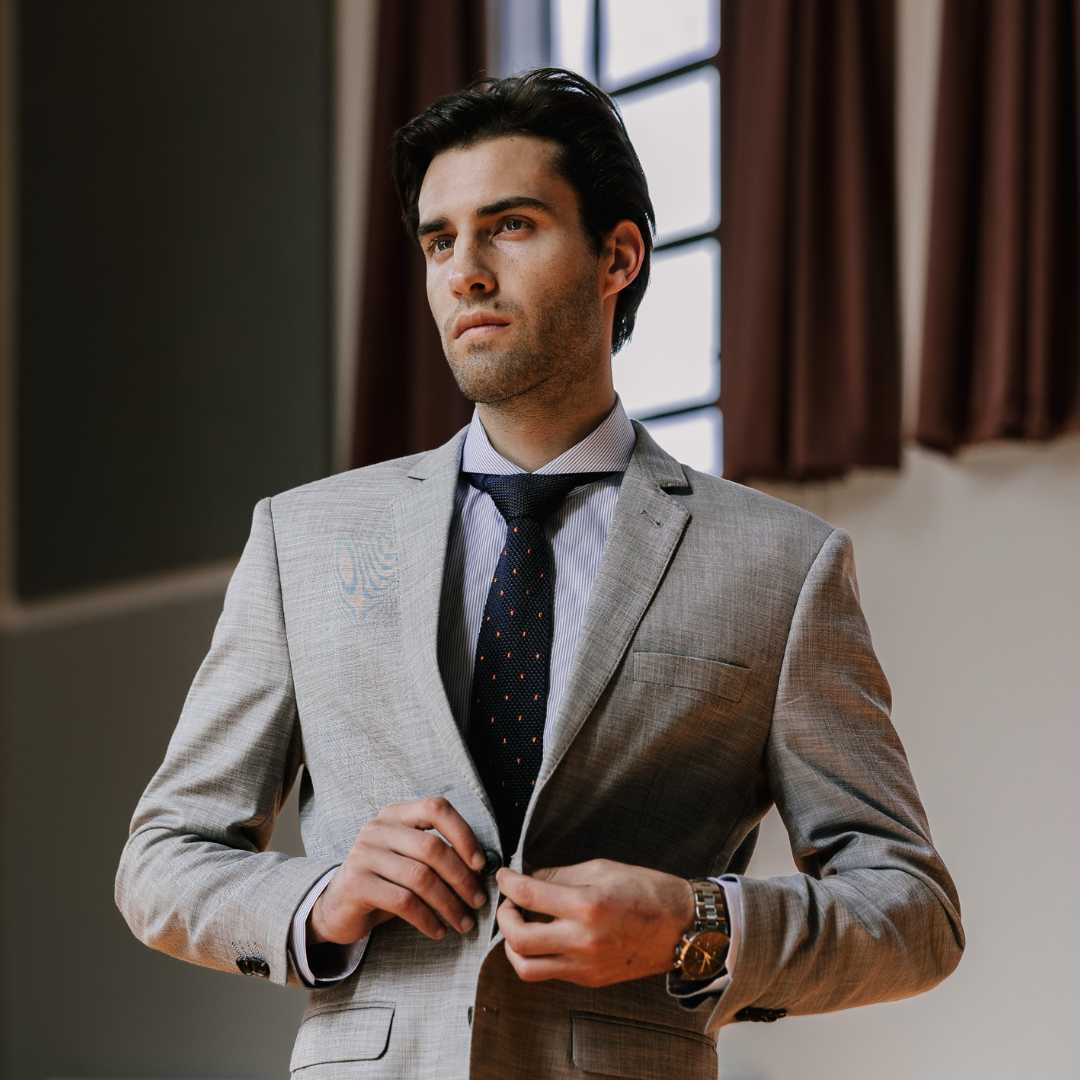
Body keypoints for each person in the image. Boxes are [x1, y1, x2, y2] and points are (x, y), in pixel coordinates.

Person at [115, 68, 964, 1079]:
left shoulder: (781, 565)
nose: (465, 271)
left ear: (618, 256)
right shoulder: (304, 539)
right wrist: (320, 898)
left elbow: (913, 912)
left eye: (509, 226)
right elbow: (162, 859)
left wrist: (694, 927)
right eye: (439, 240)